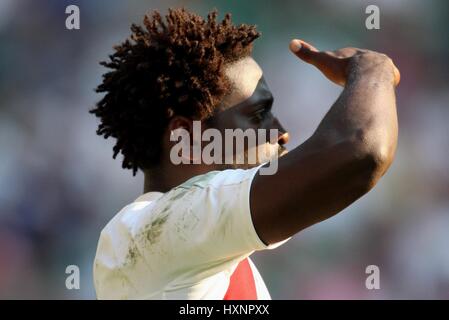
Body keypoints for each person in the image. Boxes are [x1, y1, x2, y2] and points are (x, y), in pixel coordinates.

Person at [90, 8, 400, 299]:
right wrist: (372, 69)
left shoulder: (202, 245)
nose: (282, 131)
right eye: (259, 114)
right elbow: (361, 148)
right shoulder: (148, 232)